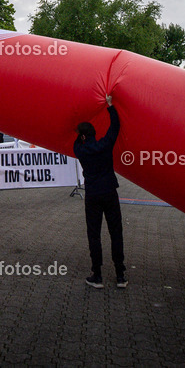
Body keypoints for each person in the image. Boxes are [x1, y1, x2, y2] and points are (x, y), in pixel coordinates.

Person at [74, 95, 127, 289]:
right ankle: (120, 274)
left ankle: (97, 275)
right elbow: (115, 128)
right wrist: (110, 107)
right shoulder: (105, 145)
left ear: (82, 136)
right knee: (116, 232)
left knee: (94, 234)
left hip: (93, 194)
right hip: (110, 192)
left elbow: (76, 139)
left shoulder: (80, 149)